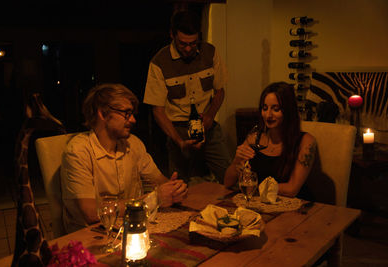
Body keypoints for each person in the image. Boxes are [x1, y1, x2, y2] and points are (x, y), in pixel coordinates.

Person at [61, 83, 188, 233]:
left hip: (129, 228)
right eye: (126, 113)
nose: (133, 120)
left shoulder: (132, 144)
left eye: (133, 113)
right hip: (89, 237)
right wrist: (152, 200)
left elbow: (159, 181)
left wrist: (175, 190)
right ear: (102, 114)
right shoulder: (78, 151)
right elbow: (91, 213)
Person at [143, 10, 231, 184]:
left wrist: (210, 116)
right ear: (172, 35)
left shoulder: (210, 52)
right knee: (179, 185)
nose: (189, 48)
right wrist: (178, 141)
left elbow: (220, 91)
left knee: (230, 177)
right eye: (183, 44)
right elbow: (158, 110)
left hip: (207, 126)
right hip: (178, 129)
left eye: (193, 43)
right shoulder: (159, 62)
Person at [224, 82, 317, 198]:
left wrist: (253, 187)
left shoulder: (306, 142)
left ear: (288, 111)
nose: (268, 115)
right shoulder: (254, 138)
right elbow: (228, 182)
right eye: (264, 108)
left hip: (294, 206)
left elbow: (292, 189)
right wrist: (237, 161)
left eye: (276, 109)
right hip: (260, 204)